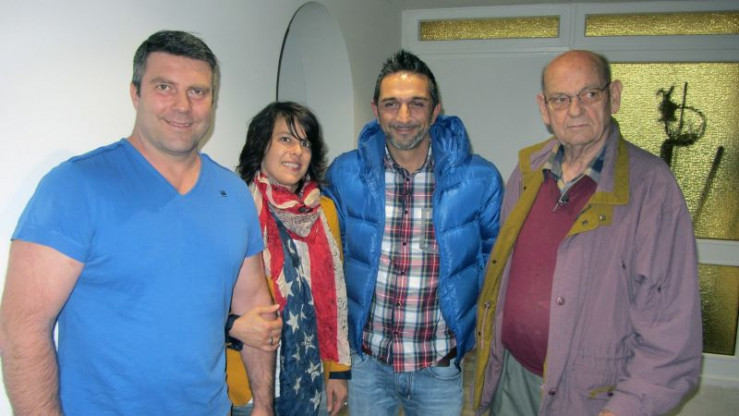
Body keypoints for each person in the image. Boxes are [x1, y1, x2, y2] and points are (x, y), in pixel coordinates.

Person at [0, 30, 277, 416]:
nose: (183, 105)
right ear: (135, 93)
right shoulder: (75, 187)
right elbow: (22, 330)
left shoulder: (232, 194)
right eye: (165, 87)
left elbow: (256, 310)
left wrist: (264, 405)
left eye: (198, 91)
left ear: (213, 101)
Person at [472, 50, 703, 416]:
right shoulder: (527, 172)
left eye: (589, 94)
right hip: (513, 379)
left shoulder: (652, 188)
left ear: (614, 96)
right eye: (561, 99)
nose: (575, 110)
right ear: (544, 109)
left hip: (593, 398)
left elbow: (671, 336)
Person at [325, 50, 504, 416]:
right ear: (376, 110)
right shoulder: (345, 174)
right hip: (367, 363)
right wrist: (337, 360)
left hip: (438, 365)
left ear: (435, 110)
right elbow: (330, 263)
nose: (403, 117)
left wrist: (476, 337)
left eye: (417, 104)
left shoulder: (480, 179)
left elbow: (494, 266)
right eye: (391, 104)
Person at [227, 102, 351, 416]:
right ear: (261, 145)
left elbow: (333, 295)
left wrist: (337, 372)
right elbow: (208, 294)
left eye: (305, 143)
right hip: (250, 386)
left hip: (313, 378)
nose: (297, 151)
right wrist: (231, 326)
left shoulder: (324, 211)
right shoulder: (235, 208)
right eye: (285, 139)